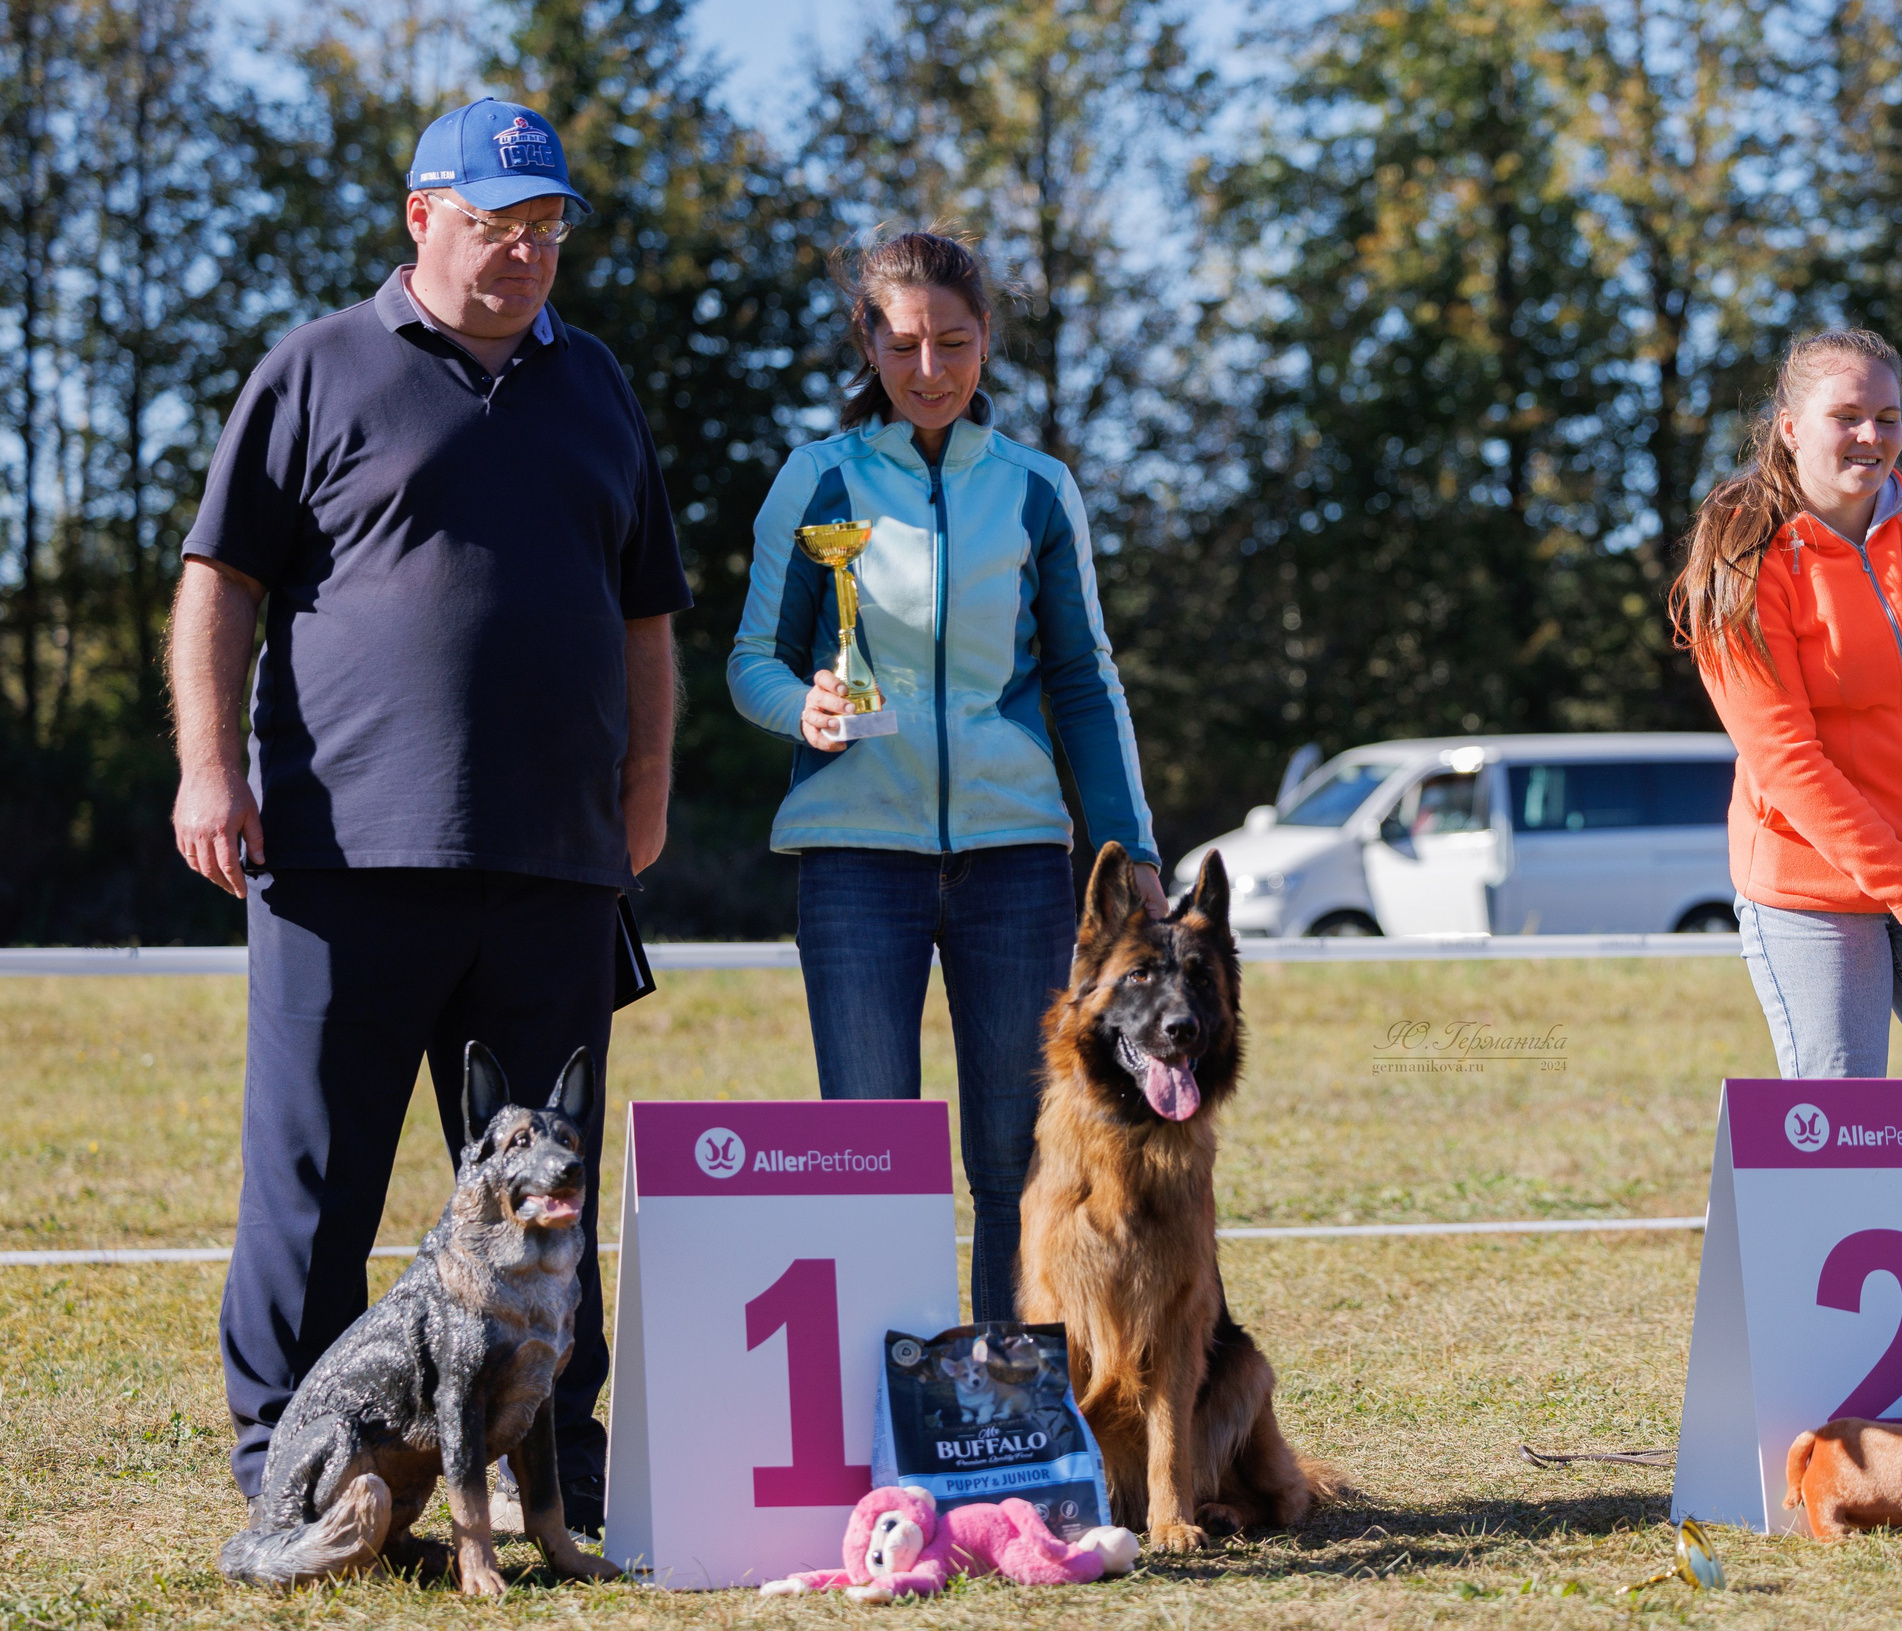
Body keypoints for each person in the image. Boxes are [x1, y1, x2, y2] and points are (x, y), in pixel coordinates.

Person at [169, 97, 687, 1531]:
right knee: (313, 1183)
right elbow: (219, 579)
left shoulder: (598, 383)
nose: (525, 252)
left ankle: (555, 1464)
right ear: (420, 216)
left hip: (556, 863)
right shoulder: (316, 367)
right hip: (343, 856)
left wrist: (647, 780)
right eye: (493, 225)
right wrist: (208, 766)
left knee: (551, 1186)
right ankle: (292, 1471)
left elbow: (647, 606)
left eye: (548, 228)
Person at [728, 231, 1162, 1323]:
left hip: (1016, 861)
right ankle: (885, 1391)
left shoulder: (1037, 488)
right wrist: (802, 707)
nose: (930, 370)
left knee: (1019, 1158)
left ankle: (1002, 1394)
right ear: (868, 342)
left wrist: (1135, 849)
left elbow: (1084, 680)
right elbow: (750, 663)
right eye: (905, 344)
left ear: (986, 340)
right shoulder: (814, 479)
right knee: (870, 1157)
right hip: (853, 859)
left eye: (954, 343)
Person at [1670, 329, 1902, 1078]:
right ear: (1790, 428)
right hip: (1812, 889)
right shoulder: (1742, 555)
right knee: (1839, 1112)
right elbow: (1784, 759)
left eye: (1888, 418)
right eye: (1847, 416)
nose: (1872, 436)